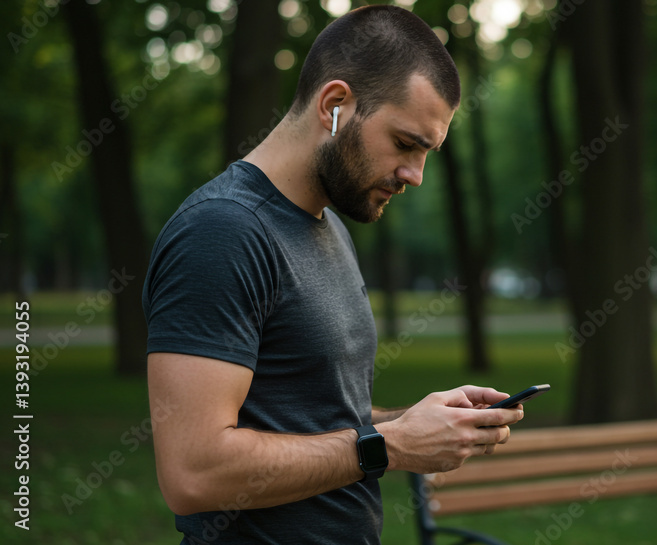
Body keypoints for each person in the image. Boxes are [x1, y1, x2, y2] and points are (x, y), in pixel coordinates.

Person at [142, 6, 522, 544]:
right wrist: (389, 447)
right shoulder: (222, 233)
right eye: (406, 144)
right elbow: (193, 473)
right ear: (335, 104)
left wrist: (413, 424)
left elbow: (307, 411)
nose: (415, 176)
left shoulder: (328, 226)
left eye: (427, 153)